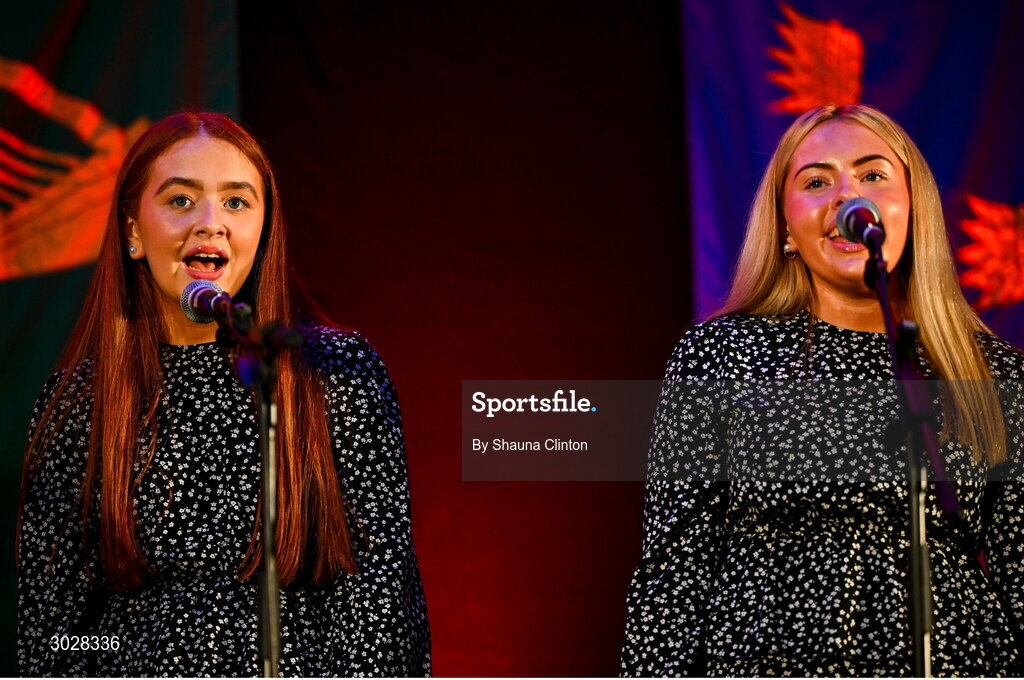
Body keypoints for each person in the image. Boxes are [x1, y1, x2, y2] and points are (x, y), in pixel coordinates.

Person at [17, 112, 431, 676]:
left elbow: (381, 600)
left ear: (263, 230)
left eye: (236, 202)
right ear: (134, 231)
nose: (211, 223)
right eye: (181, 200)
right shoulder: (80, 402)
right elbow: (56, 637)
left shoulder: (331, 371)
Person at [621, 104, 1023, 676]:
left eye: (872, 175)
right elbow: (673, 574)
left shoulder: (993, 376)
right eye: (816, 181)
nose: (846, 198)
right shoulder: (718, 358)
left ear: (913, 208)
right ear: (786, 226)